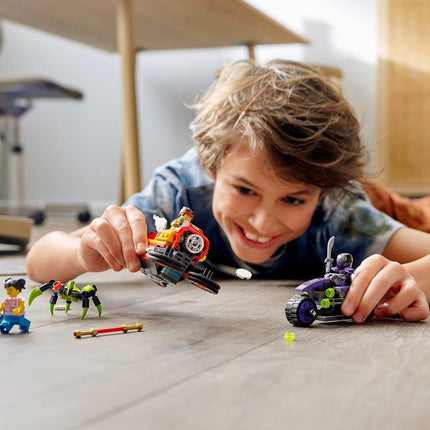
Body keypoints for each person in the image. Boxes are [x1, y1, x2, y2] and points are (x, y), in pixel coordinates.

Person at [26, 59, 430, 323]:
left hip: (375, 199)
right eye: (244, 190)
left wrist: (406, 277)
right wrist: (81, 253)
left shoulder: (340, 213)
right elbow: (38, 261)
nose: (263, 223)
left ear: (321, 194)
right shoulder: (178, 194)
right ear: (212, 166)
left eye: (293, 198)